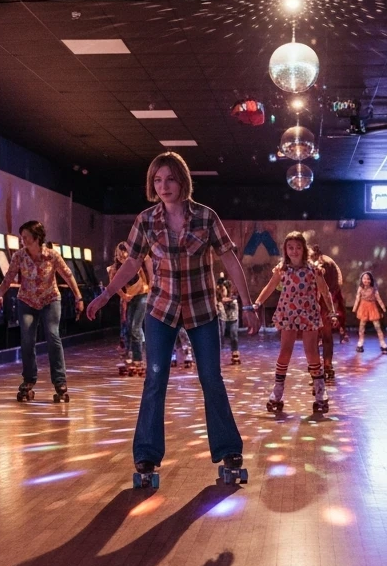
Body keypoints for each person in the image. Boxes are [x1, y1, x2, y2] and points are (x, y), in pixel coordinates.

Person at [86, 152, 260, 483]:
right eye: (157, 180)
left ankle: (228, 449)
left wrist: (247, 304)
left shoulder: (206, 218)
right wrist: (107, 294)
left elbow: (230, 260)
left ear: (182, 181)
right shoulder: (146, 220)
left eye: (169, 179)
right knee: (154, 381)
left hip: (203, 311)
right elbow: (132, 263)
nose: (163, 186)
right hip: (161, 311)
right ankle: (147, 456)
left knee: (212, 379)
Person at [0, 220, 83, 403]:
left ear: (36, 238)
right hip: (26, 300)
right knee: (27, 339)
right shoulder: (19, 256)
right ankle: (28, 380)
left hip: (50, 299)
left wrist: (78, 297)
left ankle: (60, 381)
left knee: (53, 336)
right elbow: (9, 276)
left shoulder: (52, 256)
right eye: (22, 237)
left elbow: (68, 275)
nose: (22, 240)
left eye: (25, 237)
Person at [254, 231, 336, 414]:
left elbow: (324, 290)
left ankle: (320, 392)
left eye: (298, 247)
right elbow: (269, 287)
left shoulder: (313, 269)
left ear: (304, 249)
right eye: (290, 247)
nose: (294, 251)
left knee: (311, 352)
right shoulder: (282, 269)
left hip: (308, 312)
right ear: (285, 249)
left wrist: (331, 311)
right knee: (285, 352)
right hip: (288, 313)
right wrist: (258, 303)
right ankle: (277, 392)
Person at [109, 241, 149, 376]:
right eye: (120, 254)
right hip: (128, 299)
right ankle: (129, 358)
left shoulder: (135, 265)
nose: (123, 256)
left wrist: (147, 289)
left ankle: (138, 360)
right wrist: (124, 296)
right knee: (127, 329)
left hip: (141, 296)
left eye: (125, 253)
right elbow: (113, 286)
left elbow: (144, 279)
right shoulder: (114, 269)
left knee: (135, 327)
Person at [308, 243, 345, 378]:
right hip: (316, 303)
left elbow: (335, 282)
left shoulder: (325, 263)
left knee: (325, 337)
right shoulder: (314, 264)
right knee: (317, 338)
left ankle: (326, 366)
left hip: (323, 303)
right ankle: (321, 366)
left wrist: (331, 304)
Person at [308, 242, 348, 343]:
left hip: (330, 290)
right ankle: (335, 334)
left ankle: (335, 334)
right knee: (326, 312)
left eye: (310, 255)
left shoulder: (323, 262)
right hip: (328, 289)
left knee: (328, 312)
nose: (308, 258)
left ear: (315, 254)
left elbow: (332, 275)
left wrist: (333, 289)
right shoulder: (320, 261)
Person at [352, 271, 387, 353]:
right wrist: (354, 309)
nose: (366, 280)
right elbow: (357, 298)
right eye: (364, 278)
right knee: (362, 326)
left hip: (372, 307)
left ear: (371, 280)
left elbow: (378, 299)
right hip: (363, 307)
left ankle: (382, 343)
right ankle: (360, 342)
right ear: (361, 280)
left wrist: (383, 308)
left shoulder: (374, 289)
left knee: (377, 326)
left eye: (368, 279)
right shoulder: (360, 288)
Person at [217, 275, 241, 364]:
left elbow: (227, 300)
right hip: (222, 318)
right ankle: (216, 354)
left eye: (223, 288)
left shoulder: (233, 297)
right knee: (220, 336)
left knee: (233, 335)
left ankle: (235, 352)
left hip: (232, 317)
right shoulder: (218, 296)